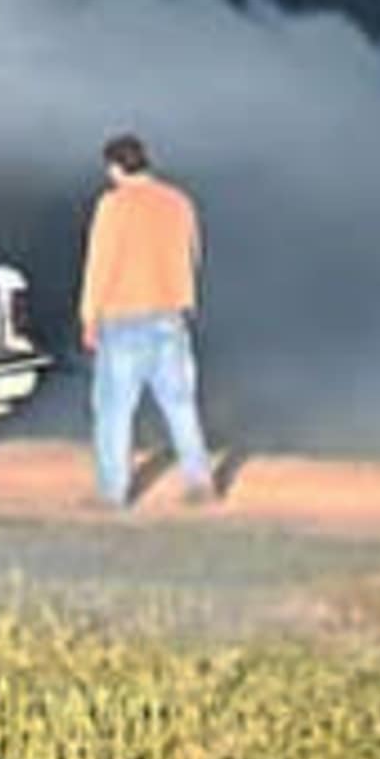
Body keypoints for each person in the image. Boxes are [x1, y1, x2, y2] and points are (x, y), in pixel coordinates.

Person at [80, 132, 215, 507]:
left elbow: (100, 264)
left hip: (123, 317)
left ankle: (113, 493)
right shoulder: (179, 201)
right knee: (181, 405)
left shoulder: (112, 205)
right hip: (170, 315)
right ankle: (199, 482)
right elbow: (194, 253)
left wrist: (89, 316)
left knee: (114, 411)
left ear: (114, 167)